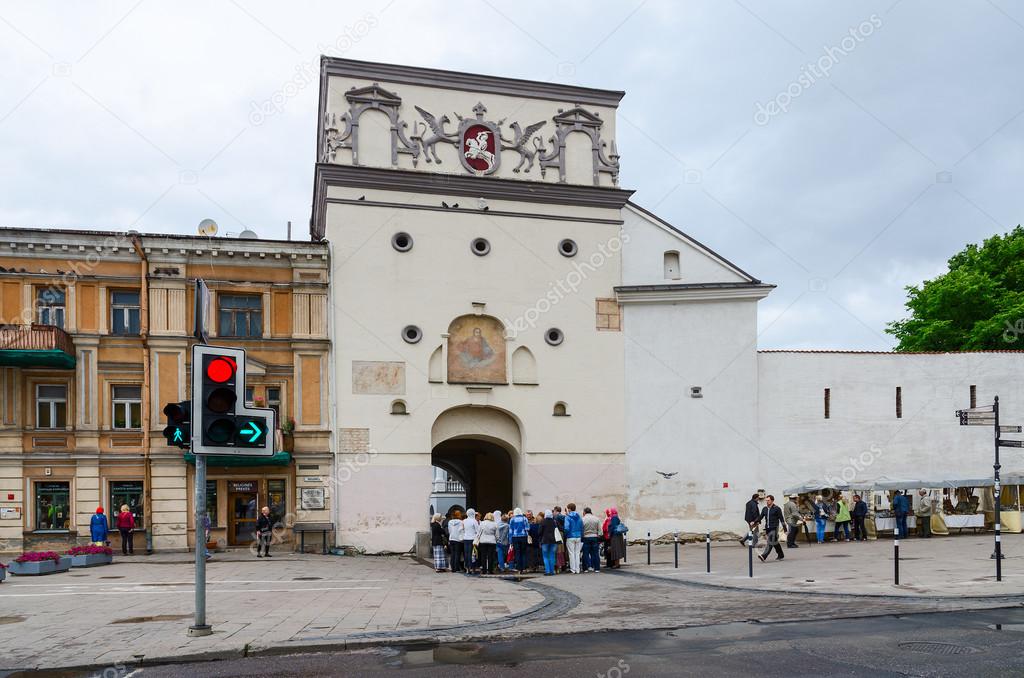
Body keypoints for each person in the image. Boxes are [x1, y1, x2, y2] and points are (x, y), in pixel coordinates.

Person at [757, 495, 786, 562]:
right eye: (766, 500)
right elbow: (760, 517)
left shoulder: (777, 509)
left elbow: (782, 519)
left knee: (770, 542)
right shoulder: (765, 509)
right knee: (775, 542)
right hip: (768, 528)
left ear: (772, 500)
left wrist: (785, 529)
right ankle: (781, 555)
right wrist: (755, 522)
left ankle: (764, 556)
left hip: (774, 528)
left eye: (768, 500)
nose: (767, 501)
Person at [563, 503, 584, 574]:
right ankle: (577, 569)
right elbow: (582, 527)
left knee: (571, 553)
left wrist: (565, 535)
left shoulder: (567, 517)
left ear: (569, 509)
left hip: (570, 536)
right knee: (577, 553)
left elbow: (566, 528)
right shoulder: (579, 517)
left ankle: (573, 569)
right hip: (578, 536)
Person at [508, 508, 529, 573]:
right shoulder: (524, 518)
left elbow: (510, 531)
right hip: (523, 537)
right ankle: (524, 567)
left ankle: (519, 568)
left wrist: (510, 540)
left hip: (515, 537)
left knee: (517, 553)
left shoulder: (512, 519)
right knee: (523, 553)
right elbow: (527, 528)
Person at [581, 507, 602, 573]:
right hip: (595, 537)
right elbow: (600, 531)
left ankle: (585, 568)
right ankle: (597, 568)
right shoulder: (596, 519)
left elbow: (581, 530)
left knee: (585, 554)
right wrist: (598, 535)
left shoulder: (583, 519)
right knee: (595, 553)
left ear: (584, 512)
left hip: (586, 537)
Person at [537, 510, 558, 575]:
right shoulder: (554, 522)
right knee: (552, 556)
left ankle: (547, 571)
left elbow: (539, 532)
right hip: (554, 541)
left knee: (545, 556)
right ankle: (552, 571)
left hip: (545, 541)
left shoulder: (543, 522)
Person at [462, 509, 480, 574]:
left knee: (466, 554)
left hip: (465, 539)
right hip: (472, 539)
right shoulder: (474, 521)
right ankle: (473, 568)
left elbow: (462, 529)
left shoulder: (464, 521)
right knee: (473, 554)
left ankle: (467, 568)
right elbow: (478, 531)